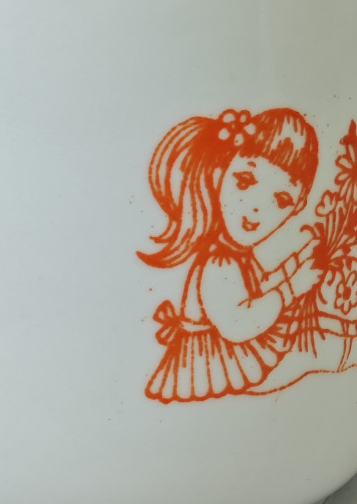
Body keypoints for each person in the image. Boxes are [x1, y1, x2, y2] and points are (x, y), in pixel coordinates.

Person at [139, 107, 331, 403]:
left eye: (281, 199)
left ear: (297, 207)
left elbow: (257, 288)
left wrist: (295, 264)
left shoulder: (237, 255)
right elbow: (239, 325)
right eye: (244, 182)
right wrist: (292, 287)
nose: (256, 208)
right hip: (211, 364)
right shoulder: (219, 262)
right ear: (219, 173)